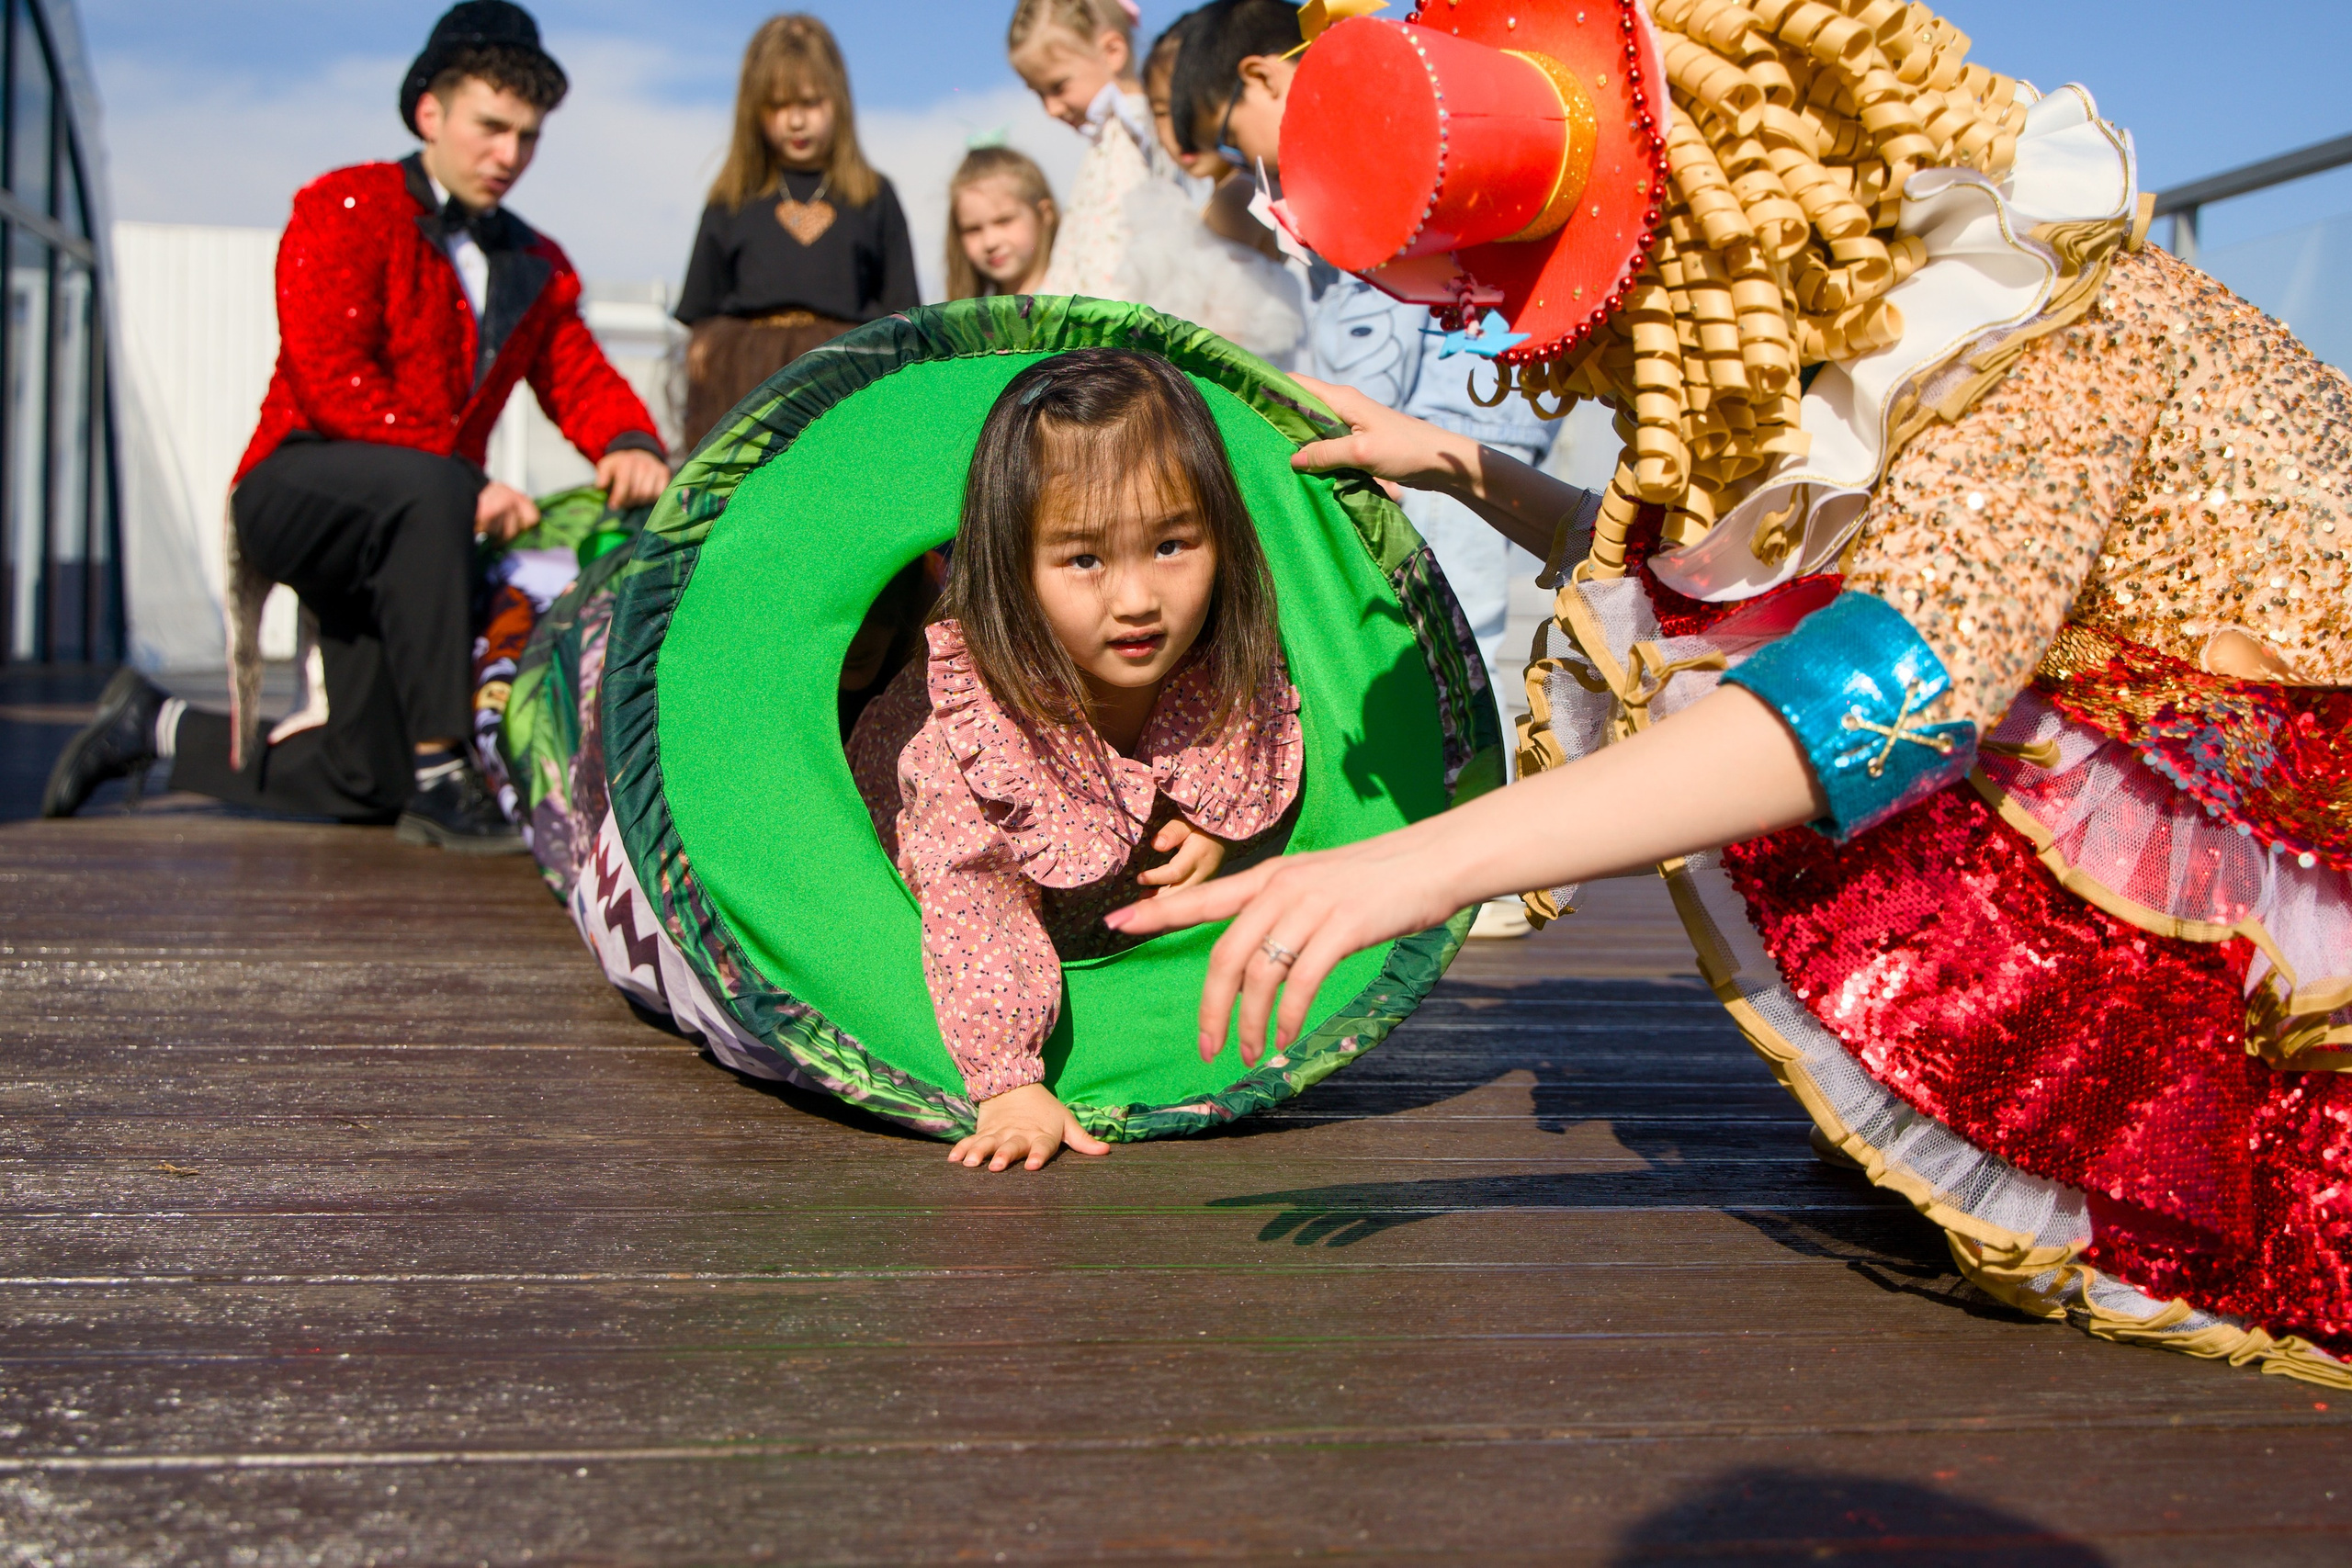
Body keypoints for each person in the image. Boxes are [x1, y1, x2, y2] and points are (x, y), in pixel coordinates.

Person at [1115, 0, 2352, 1390]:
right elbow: (1732, 578)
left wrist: (1410, 864)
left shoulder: (2050, 326)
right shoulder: (1912, 321)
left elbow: (1898, 684)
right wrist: (1459, 464)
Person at [41, 0, 668, 849]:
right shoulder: (343, 205)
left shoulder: (537, 262)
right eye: (491, 127)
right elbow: (332, 380)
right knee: (434, 488)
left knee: (367, 776)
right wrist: (469, 484)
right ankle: (448, 769)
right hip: (299, 488)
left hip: (417, 530)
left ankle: (151, 725)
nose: (508, 155)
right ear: (428, 113)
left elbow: (579, 375)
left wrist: (629, 441)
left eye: (527, 137)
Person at [847, 348, 1302, 1172]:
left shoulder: (1221, 664)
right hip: (953, 926)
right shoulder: (974, 740)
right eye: (1084, 559)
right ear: (1013, 569)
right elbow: (972, 897)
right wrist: (1008, 1078)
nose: (1135, 600)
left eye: (1171, 545)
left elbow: (1243, 733)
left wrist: (1215, 824)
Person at [1170, 0, 1555, 935]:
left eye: (1236, 137)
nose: (1245, 167)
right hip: (1388, 412)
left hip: (1458, 400)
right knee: (1397, 611)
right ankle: (1422, 837)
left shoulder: (1389, 113)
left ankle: (1493, 862)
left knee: (1466, 601)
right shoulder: (1315, 172)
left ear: (1263, 76)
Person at [675, 14, 919, 447]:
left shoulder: (873, 196)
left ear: (838, 100)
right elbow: (702, 310)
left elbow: (904, 311)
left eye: (810, 102)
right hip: (745, 385)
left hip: (848, 383)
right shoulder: (732, 196)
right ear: (753, 109)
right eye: (778, 105)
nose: (796, 121)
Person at [1009, 0, 1163, 300]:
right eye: (1039, 93)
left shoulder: (1140, 122)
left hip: (1127, 325)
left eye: (1058, 87)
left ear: (1112, 52)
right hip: (1090, 329)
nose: (1050, 109)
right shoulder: (1103, 141)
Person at [944, 146, 1058, 300]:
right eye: (973, 229)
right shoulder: (973, 320)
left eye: (1004, 221)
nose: (990, 242)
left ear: (1045, 214)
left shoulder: (1077, 297)